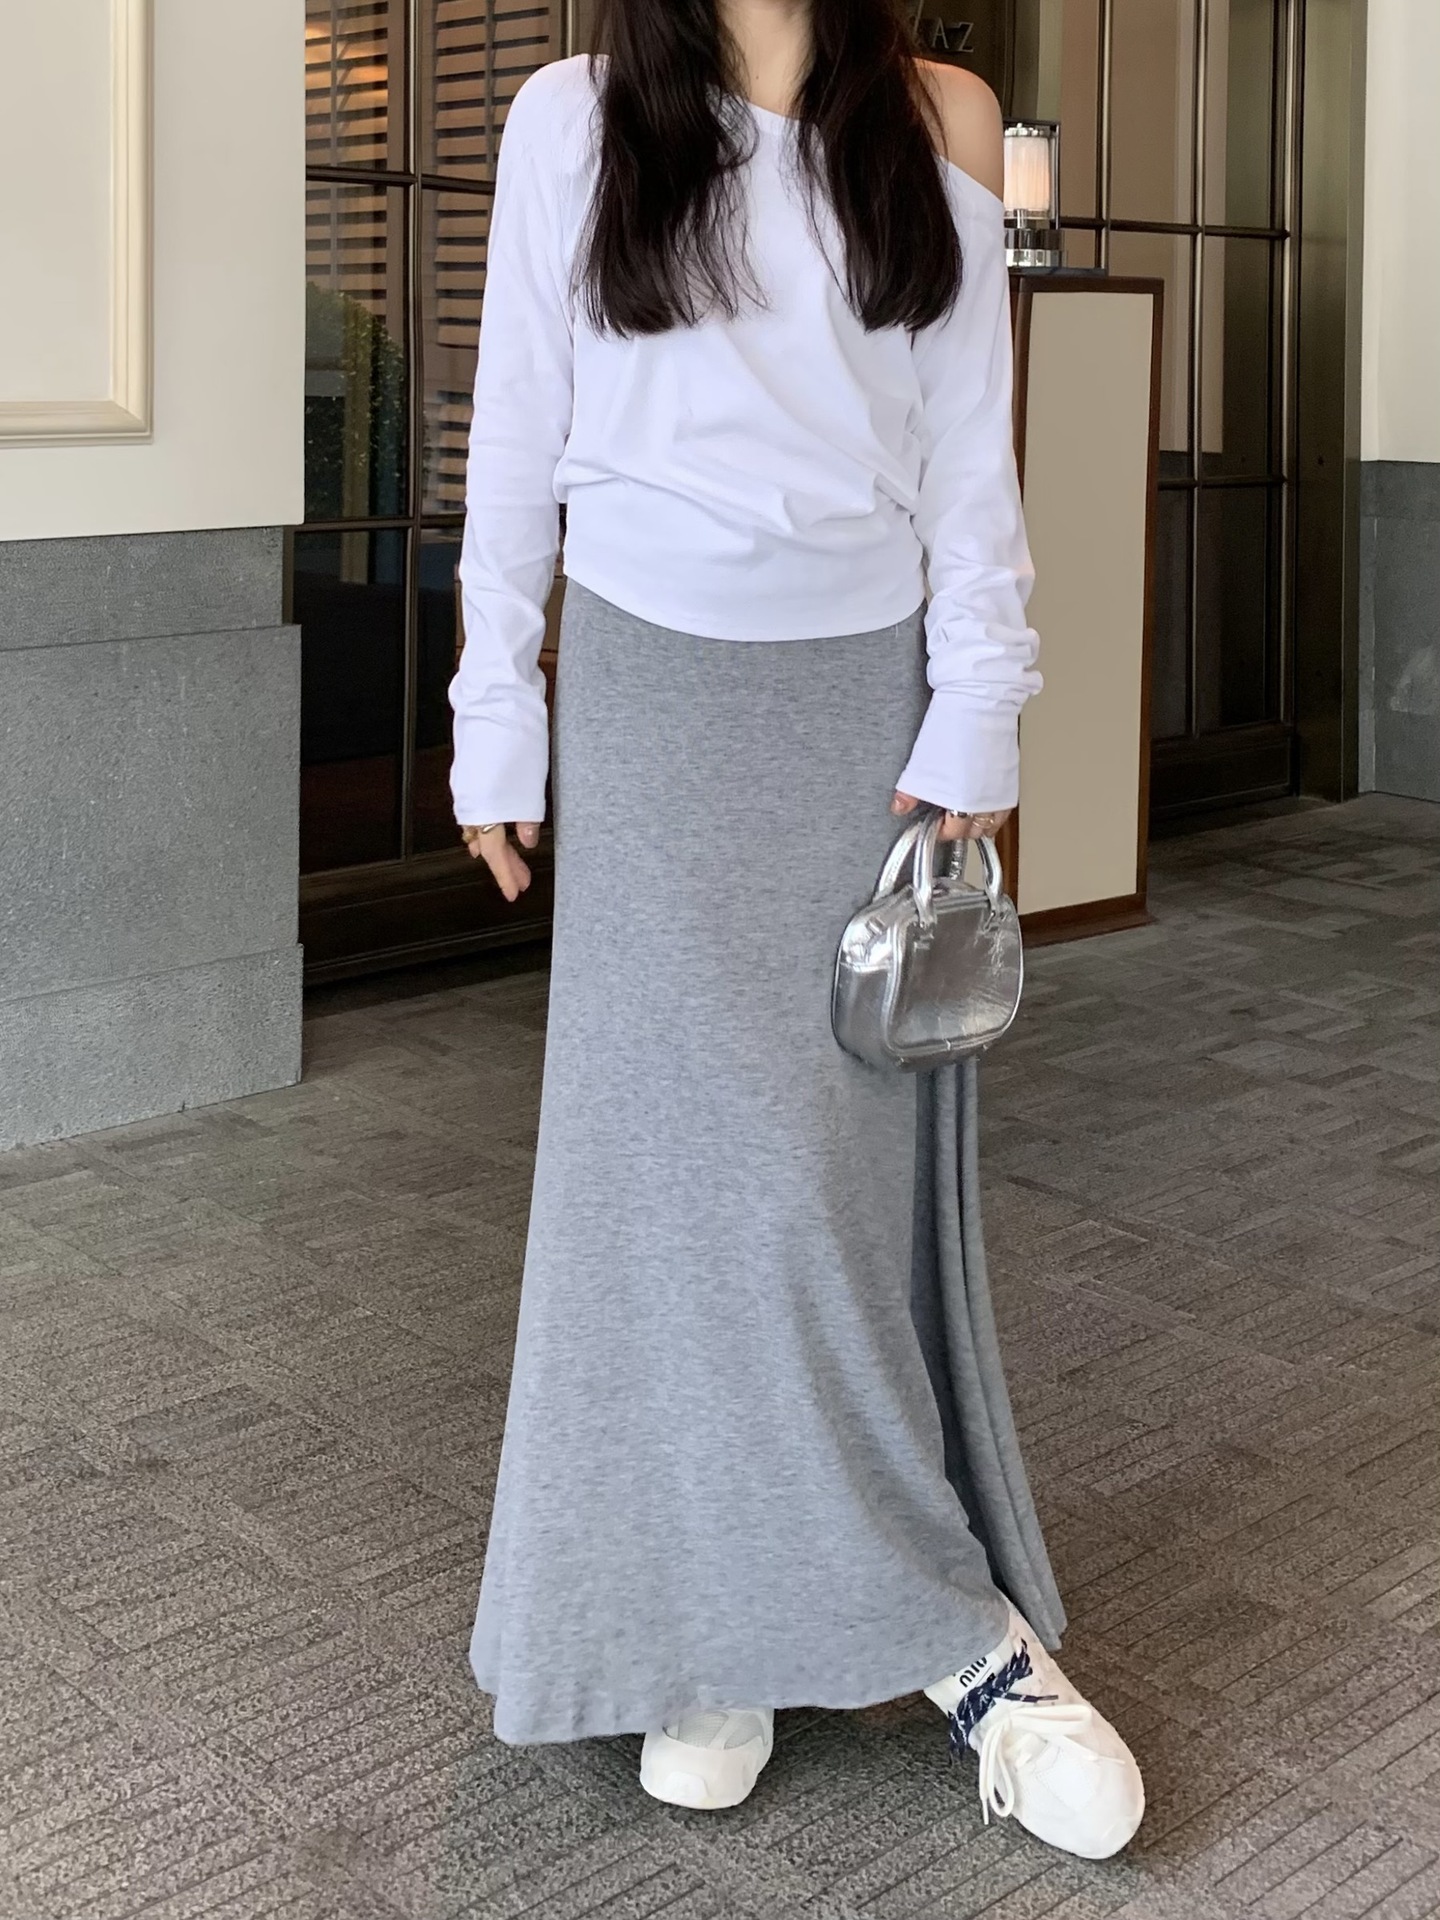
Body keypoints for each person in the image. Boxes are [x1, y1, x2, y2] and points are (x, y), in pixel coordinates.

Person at [447, 0, 1145, 1860]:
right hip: (652, 699)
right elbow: (517, 429)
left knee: (834, 1176)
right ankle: (714, 1624)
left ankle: (945, 1622)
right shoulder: (571, 117)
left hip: (861, 700)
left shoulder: (946, 115)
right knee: (671, 1179)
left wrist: (982, 698)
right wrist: (495, 709)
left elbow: (969, 447)